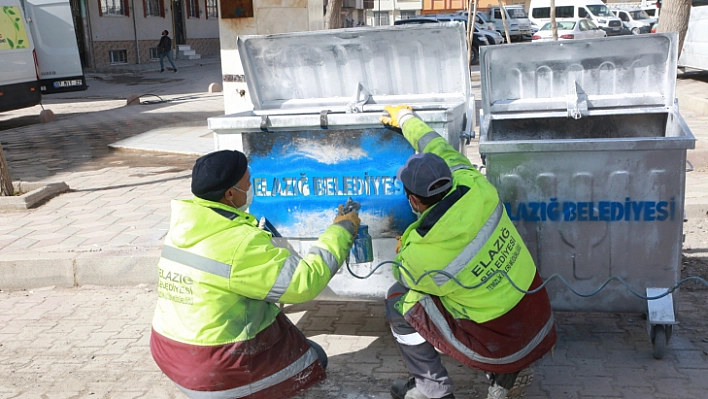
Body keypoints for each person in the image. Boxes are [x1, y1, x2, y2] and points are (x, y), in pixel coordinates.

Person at [150, 149, 360, 399]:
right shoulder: (238, 243)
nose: (252, 188)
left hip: (170, 354)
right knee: (314, 359)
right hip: (212, 368)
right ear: (230, 194)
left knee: (289, 335)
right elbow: (304, 283)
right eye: (248, 183)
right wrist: (341, 230)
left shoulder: (185, 225)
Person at [379, 105, 557, 399]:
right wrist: (406, 118)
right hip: (539, 319)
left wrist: (405, 247)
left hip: (500, 344)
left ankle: (432, 390)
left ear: (413, 200)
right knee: (466, 287)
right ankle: (505, 374)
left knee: (398, 300)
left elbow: (403, 272)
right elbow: (434, 144)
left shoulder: (421, 255)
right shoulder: (476, 184)